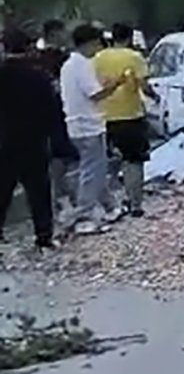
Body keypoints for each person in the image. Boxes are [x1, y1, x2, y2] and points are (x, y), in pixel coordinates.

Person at [60, 24, 127, 234]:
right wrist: (116, 83)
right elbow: (95, 94)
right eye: (97, 43)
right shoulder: (81, 65)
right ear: (89, 43)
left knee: (97, 168)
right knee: (92, 171)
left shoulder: (69, 65)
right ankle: (84, 216)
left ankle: (110, 207)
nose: (98, 48)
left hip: (77, 123)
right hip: (88, 125)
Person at [0, 28, 61, 249]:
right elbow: (52, 109)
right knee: (38, 191)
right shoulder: (39, 76)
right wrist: (54, 137)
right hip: (34, 141)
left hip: (4, 141)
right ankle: (43, 236)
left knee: (2, 189)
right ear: (27, 48)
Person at [94, 23, 150, 217]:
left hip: (102, 117)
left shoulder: (98, 58)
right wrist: (155, 96)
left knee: (107, 162)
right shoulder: (134, 58)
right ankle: (135, 204)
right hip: (130, 115)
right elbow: (143, 85)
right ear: (130, 38)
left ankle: (109, 204)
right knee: (133, 161)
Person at [32, 20, 79, 224]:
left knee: (60, 157)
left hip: (49, 114)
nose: (65, 35)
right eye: (62, 32)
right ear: (54, 33)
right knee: (59, 156)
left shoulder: (38, 58)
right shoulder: (55, 59)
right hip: (56, 113)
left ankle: (63, 197)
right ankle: (61, 198)